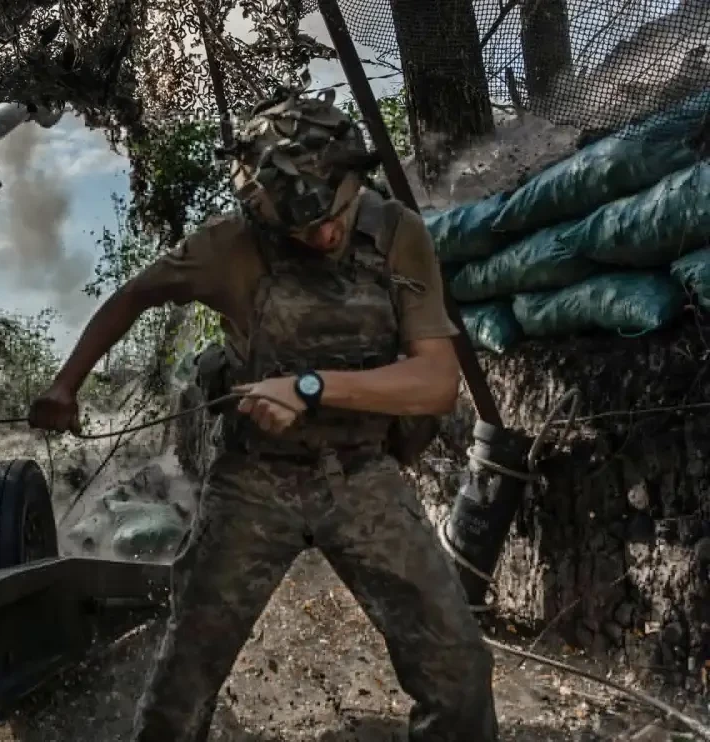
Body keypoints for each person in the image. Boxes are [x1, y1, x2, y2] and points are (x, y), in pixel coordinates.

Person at [27, 88, 499, 742]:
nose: (323, 235)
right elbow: (135, 294)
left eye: (332, 216)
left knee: (459, 672)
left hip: (361, 476)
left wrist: (308, 387)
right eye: (300, 230)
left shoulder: (396, 234)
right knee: (182, 684)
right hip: (254, 483)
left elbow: (435, 382)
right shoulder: (228, 246)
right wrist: (66, 386)